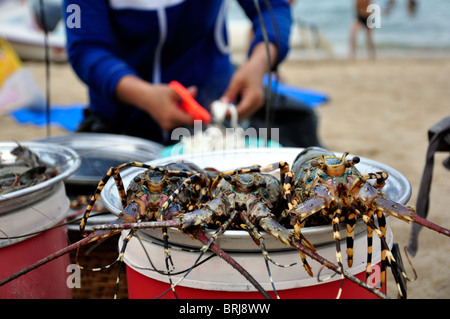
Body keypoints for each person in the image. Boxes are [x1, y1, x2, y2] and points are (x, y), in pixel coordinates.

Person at [63, 0, 321, 148]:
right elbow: (84, 47)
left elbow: (273, 8)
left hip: (211, 126)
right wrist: (143, 96)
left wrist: (259, 63)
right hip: (121, 128)